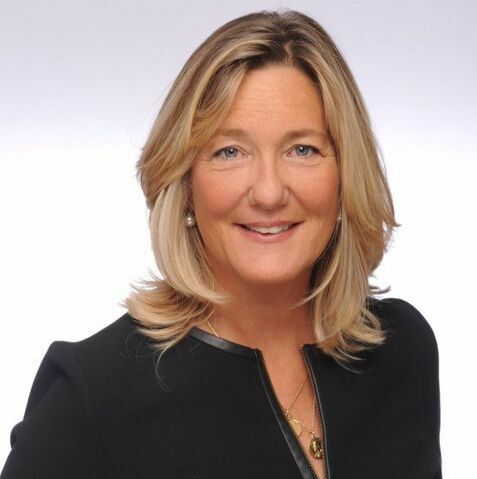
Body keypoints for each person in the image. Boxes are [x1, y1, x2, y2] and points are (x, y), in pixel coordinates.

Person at [0, 9, 442, 479]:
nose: (269, 193)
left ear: (345, 175)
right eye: (230, 151)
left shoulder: (401, 350)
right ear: (186, 182)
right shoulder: (92, 393)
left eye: (302, 149)